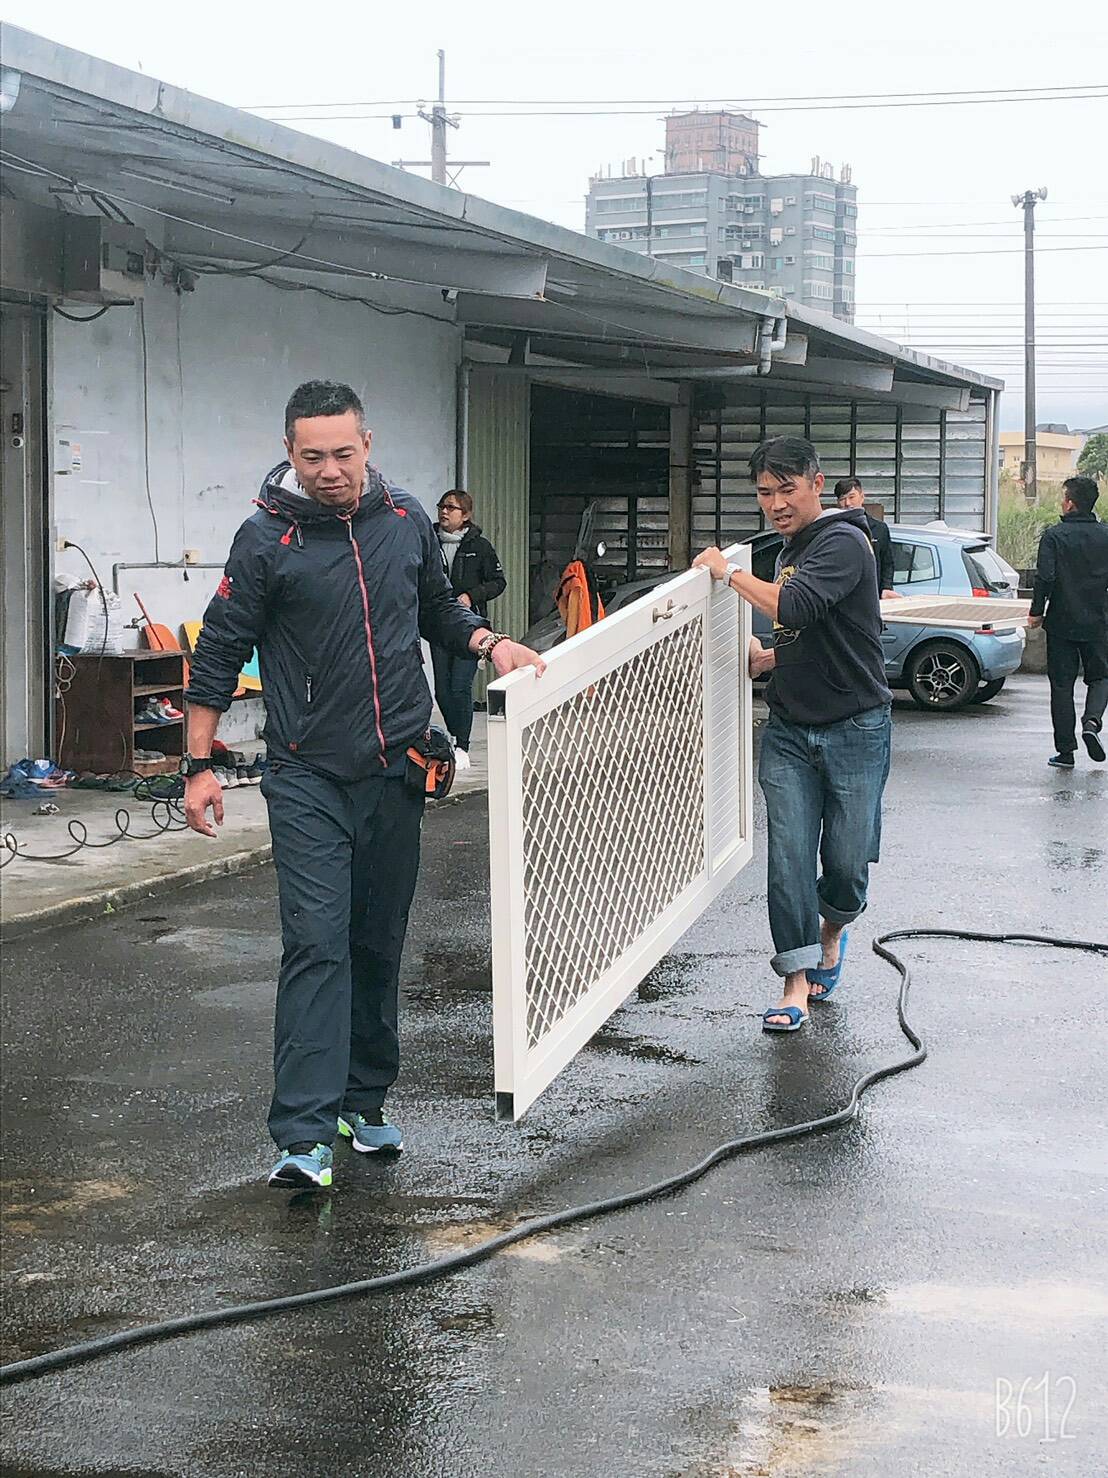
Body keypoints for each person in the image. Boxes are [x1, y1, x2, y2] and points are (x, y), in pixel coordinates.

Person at [183, 381, 544, 1190]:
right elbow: (216, 656)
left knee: (378, 941)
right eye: (312, 456)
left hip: (396, 769)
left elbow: (437, 610)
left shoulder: (407, 520)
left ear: (368, 445)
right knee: (317, 942)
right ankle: (303, 1132)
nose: (330, 470)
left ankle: (361, 1098)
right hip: (307, 772)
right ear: (290, 453)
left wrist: (490, 641)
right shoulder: (264, 541)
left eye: (343, 453)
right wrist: (198, 765)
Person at [694, 436, 893, 1034]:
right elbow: (814, 632)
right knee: (786, 856)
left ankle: (834, 928)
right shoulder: (787, 550)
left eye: (787, 489)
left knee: (847, 861)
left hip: (856, 727)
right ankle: (796, 981)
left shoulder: (843, 541)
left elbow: (798, 608)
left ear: (815, 483)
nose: (776, 503)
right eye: (764, 492)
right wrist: (772, 659)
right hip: (788, 732)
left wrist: (725, 573)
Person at [1028, 474, 1108, 768]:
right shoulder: (1106, 535)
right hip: (1099, 620)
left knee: (1061, 685)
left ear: (1071, 504)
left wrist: (1037, 611)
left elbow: (1045, 577)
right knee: (1100, 677)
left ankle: (1065, 751)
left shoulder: (1053, 536)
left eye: (1064, 497)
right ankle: (1092, 722)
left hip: (1061, 621)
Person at [431, 490, 506, 770]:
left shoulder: (480, 546)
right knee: (442, 690)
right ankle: (451, 735)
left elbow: (498, 582)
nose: (444, 512)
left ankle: (462, 744)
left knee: (460, 686)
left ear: (466, 515)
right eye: (442, 506)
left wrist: (471, 596)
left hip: (469, 625)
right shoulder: (429, 542)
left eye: (451, 508)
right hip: (439, 626)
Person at [834, 475, 895, 597]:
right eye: (842, 499)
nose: (847, 503)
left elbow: (887, 563)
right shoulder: (832, 530)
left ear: (862, 497)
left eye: (852, 497)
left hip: (871, 596)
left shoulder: (879, 528)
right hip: (842, 596)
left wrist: (886, 588)